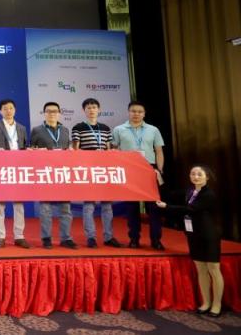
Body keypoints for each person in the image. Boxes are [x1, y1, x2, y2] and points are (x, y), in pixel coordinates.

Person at [156, 165, 223, 317]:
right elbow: (169, 194)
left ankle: (217, 304)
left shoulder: (209, 194)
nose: (196, 177)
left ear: (207, 177)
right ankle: (206, 302)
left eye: (199, 174)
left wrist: (167, 207)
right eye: (193, 174)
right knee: (201, 269)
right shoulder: (190, 191)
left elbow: (190, 209)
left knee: (213, 268)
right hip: (193, 234)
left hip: (209, 235)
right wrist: (160, 180)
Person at [113, 100, 166, 250]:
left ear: (144, 114)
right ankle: (134, 239)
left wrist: (159, 170)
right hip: (129, 170)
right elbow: (114, 150)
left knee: (154, 207)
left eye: (140, 111)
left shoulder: (153, 130)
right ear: (128, 112)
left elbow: (159, 151)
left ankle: (156, 240)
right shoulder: (118, 129)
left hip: (149, 169)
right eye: (133, 111)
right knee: (132, 208)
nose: (136, 114)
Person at [71, 98, 122, 248]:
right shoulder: (78, 127)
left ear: (99, 109)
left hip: (104, 171)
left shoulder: (105, 128)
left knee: (107, 205)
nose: (91, 110)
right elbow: (75, 150)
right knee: (89, 205)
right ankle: (91, 237)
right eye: (88, 108)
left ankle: (108, 237)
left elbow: (109, 149)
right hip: (88, 171)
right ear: (84, 110)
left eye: (94, 107)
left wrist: (109, 154)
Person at [30, 101, 77, 250]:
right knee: (45, 209)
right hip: (45, 173)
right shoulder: (36, 130)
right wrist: (37, 151)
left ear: (59, 113)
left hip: (62, 174)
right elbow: (31, 151)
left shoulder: (65, 130)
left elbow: (68, 149)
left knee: (66, 209)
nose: (52, 114)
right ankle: (46, 238)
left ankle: (66, 238)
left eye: (55, 111)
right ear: (44, 113)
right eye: (49, 111)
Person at [0, 99, 31, 248]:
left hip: (18, 169)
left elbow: (24, 146)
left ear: (15, 110)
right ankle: (0, 237)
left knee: (19, 204)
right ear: (0, 111)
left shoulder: (22, 128)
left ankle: (19, 236)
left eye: (11, 108)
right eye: (5, 109)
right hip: (1, 169)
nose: (8, 111)